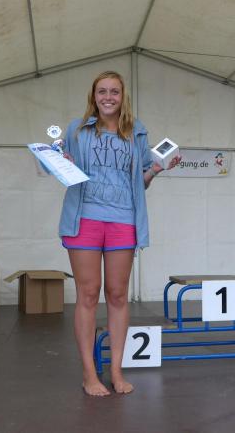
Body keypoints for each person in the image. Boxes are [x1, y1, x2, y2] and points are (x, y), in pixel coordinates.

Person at [59, 71, 180, 396]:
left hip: (123, 220)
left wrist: (155, 170)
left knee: (117, 295)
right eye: (102, 91)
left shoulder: (136, 132)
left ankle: (115, 371)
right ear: (94, 96)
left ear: (122, 96)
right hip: (84, 219)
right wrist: (62, 162)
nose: (108, 97)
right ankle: (89, 374)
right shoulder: (76, 129)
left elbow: (139, 181)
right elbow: (62, 168)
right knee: (88, 294)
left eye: (114, 91)